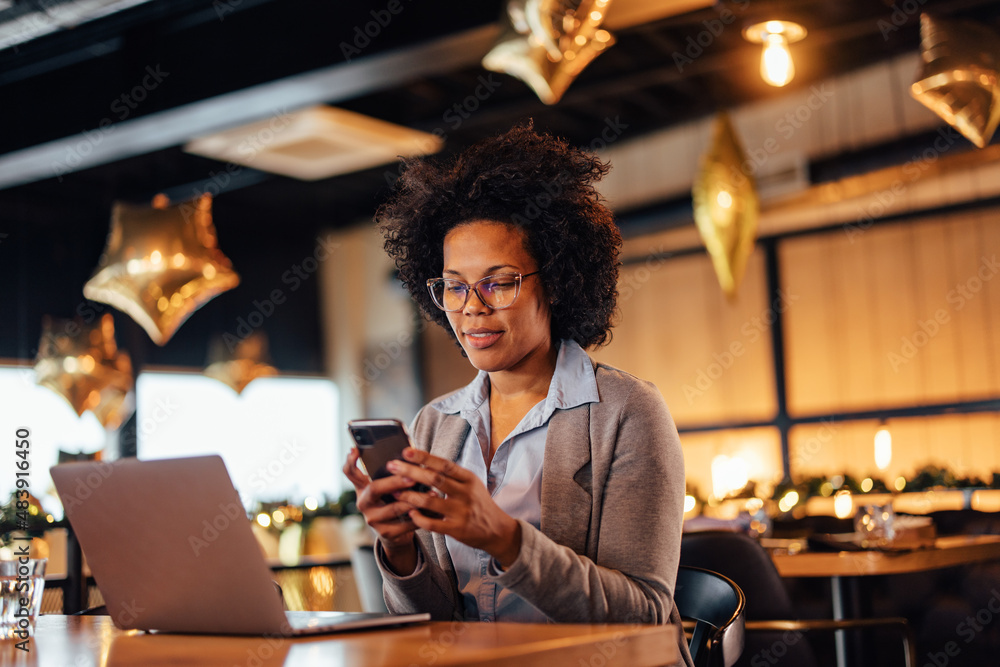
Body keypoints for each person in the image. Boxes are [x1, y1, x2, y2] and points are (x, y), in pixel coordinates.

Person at [343, 123, 692, 666]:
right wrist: (400, 548)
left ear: (553, 280)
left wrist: (505, 538)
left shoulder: (626, 412)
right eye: (454, 286)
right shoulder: (437, 424)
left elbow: (643, 615)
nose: (471, 307)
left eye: (498, 281)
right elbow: (435, 624)